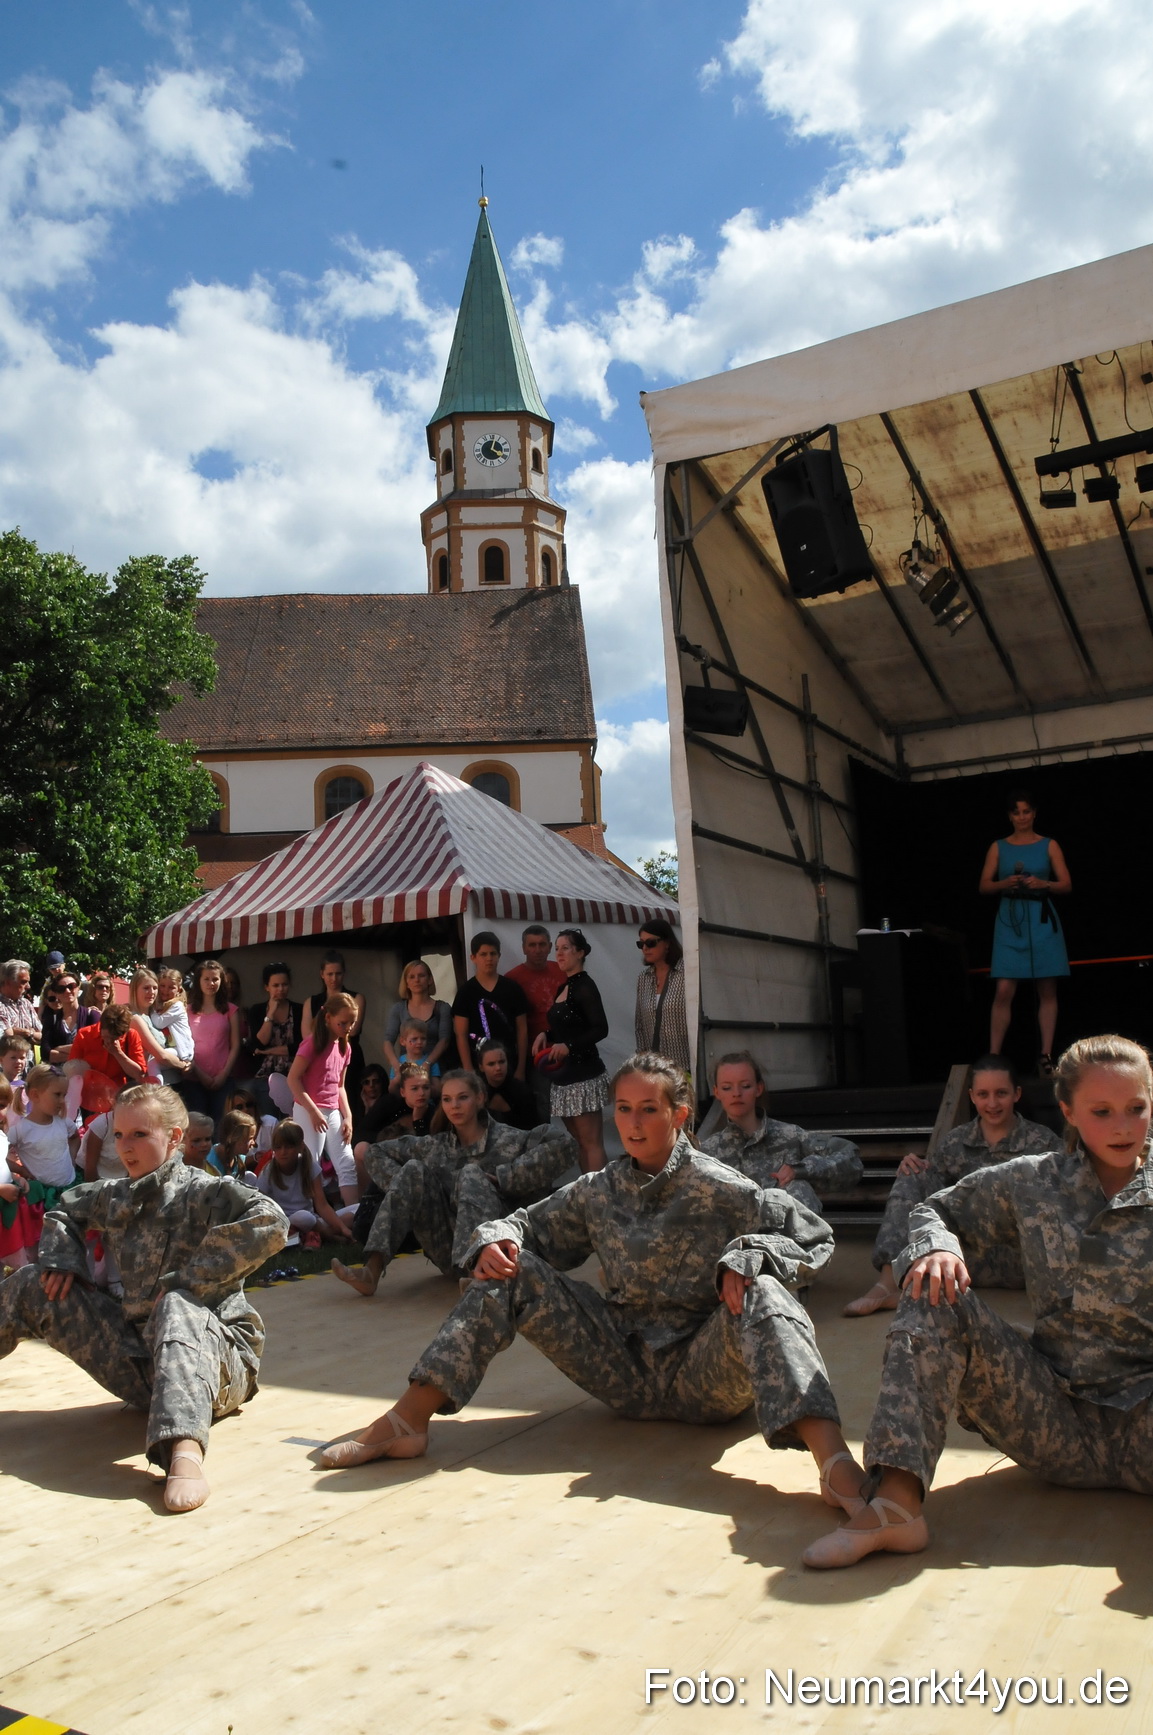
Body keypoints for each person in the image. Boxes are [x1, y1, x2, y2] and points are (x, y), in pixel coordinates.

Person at [319, 1052, 865, 1513]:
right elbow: (525, 1225)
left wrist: (749, 1255)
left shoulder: (720, 1185)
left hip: (706, 1374)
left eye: (648, 1110)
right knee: (509, 1266)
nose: (632, 1123)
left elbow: (813, 1235)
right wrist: (492, 1239)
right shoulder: (598, 1189)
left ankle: (834, 1461)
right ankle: (408, 1421)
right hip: (621, 1366)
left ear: (678, 1115)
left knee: (767, 1290)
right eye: (623, 1110)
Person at [803, 1033, 1153, 1569]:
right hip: (1053, 1417)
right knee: (931, 1291)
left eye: (1137, 1108)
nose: (1123, 1126)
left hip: (1145, 1425)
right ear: (1069, 1112)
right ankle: (897, 1506)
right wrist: (938, 1247)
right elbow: (932, 1208)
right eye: (1102, 1111)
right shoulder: (1033, 1181)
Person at [0, 1082, 288, 1513]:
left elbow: (271, 1220)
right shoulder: (116, 1195)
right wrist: (63, 1259)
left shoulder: (204, 1191)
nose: (125, 1147)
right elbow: (64, 1208)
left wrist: (187, 1280)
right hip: (144, 1360)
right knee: (28, 1283)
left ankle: (184, 1452)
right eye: (118, 1135)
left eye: (139, 1135)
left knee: (175, 1303)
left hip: (219, 1364)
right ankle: (171, 1416)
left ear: (174, 1137)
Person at [843, 1055, 1062, 1317]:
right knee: (912, 1175)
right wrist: (914, 1166)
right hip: (963, 1259)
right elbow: (931, 1192)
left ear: (1016, 1094)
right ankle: (888, 1284)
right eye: (983, 1094)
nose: (992, 1103)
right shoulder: (955, 1141)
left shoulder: (1042, 1142)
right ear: (971, 1096)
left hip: (1023, 1261)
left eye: (1001, 1093)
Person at [331, 1070, 576, 1299]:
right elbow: (375, 1154)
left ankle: (478, 1275)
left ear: (480, 1099)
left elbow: (566, 1144)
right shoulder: (437, 1146)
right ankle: (372, 1270)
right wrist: (407, 1193)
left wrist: (507, 1177)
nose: (454, 1106)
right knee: (413, 1170)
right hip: (448, 1249)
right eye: (447, 1100)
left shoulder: (509, 1139)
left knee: (471, 1174)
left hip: (503, 1248)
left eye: (462, 1098)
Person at [700, 1052, 862, 1218]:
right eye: (727, 1087)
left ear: (758, 1088)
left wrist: (802, 1169)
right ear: (717, 1092)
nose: (736, 1093)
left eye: (745, 1086)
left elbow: (850, 1158)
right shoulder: (708, 1152)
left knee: (798, 1187)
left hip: (789, 1238)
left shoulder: (790, 1136)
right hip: (736, 1238)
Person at [980, 789, 1071, 1074]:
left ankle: (1045, 1054)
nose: (1022, 817)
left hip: (1042, 918)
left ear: (1034, 813)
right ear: (1010, 816)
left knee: (1047, 986)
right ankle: (994, 1055)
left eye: (1026, 811)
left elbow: (1066, 884)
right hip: (1010, 919)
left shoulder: (1049, 844)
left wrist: (1044, 884)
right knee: (1004, 988)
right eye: (1016, 812)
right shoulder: (998, 846)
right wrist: (1005, 882)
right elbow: (984, 886)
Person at [533, 929, 609, 1173]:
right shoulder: (563, 987)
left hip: (584, 1075)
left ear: (580, 952)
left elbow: (600, 1028)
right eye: (557, 948)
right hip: (564, 1078)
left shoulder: (585, 986)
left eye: (565, 948)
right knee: (579, 1143)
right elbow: (564, 1026)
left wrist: (569, 1046)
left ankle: (601, 1196)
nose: (559, 953)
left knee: (591, 1143)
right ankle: (586, 1194)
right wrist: (546, 1034)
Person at [286, 992, 359, 1207]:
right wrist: (312, 1111)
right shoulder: (311, 1045)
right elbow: (293, 1079)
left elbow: (339, 1086)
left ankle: (354, 1213)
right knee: (312, 1164)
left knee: (346, 1161)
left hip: (332, 1110)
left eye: (351, 1023)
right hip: (309, 1110)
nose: (348, 1028)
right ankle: (311, 1212)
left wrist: (348, 1117)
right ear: (328, 1018)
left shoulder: (344, 1047)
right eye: (343, 1023)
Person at [256, 1119, 356, 1243]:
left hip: (312, 1220)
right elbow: (259, 1204)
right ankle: (331, 1237)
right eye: (278, 1147)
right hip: (286, 1223)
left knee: (355, 1210)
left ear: (300, 1147)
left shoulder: (309, 1166)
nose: (283, 1152)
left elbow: (322, 1205)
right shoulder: (269, 1171)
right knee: (302, 1217)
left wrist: (343, 1228)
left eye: (288, 1147)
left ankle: (314, 1234)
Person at [506, 926, 565, 1118]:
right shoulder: (512, 979)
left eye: (542, 945)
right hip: (535, 1054)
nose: (537, 949)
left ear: (549, 947)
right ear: (523, 948)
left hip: (565, 1049)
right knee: (542, 1102)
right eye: (532, 945)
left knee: (570, 1102)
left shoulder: (562, 970)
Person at [8, 1066, 80, 1225]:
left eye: (64, 1095)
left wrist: (72, 1158)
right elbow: (1, 1155)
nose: (62, 1100)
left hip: (69, 1188)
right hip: (44, 1196)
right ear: (35, 1095)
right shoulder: (21, 1129)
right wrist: (20, 1170)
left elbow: (75, 1137)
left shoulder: (63, 1122)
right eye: (57, 1095)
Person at [452, 933, 529, 1079]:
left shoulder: (513, 989)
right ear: (473, 957)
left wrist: (521, 1068)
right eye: (483, 954)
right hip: (478, 1065)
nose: (489, 958)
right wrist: (468, 1070)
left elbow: (522, 1030)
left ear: (499, 955)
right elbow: (461, 1034)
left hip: (508, 1063)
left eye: (493, 953)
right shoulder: (465, 992)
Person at [66, 1004, 149, 1120]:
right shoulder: (84, 1035)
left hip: (118, 1098)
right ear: (100, 1027)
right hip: (89, 1099)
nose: (108, 1042)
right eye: (105, 1037)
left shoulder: (131, 1036)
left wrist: (118, 1053)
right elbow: (72, 1071)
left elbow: (138, 1073)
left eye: (114, 1038)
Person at [301, 951, 366, 1100]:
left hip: (348, 1057)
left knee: (350, 1100)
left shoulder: (356, 998)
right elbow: (306, 1035)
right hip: (318, 1058)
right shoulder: (311, 1002)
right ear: (322, 974)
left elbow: (353, 1030)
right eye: (330, 974)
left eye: (338, 974)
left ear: (344, 974)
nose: (334, 979)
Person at [184, 959, 241, 1128]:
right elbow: (183, 1046)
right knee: (196, 1128)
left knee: (222, 1127)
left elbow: (235, 1045)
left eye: (215, 979)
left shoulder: (231, 1009)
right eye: (206, 979)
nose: (211, 983)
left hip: (223, 1079)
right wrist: (200, 1073)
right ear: (198, 981)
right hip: (194, 1078)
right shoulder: (186, 1010)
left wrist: (223, 1075)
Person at [633, 919, 690, 1073]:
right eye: (641, 944)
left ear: (667, 943)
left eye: (650, 943)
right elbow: (640, 1025)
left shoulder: (687, 973)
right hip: (655, 1071)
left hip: (685, 1066)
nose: (645, 948)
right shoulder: (643, 978)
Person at [382, 961, 452, 1077]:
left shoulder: (442, 1008)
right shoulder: (398, 1009)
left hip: (436, 1071)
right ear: (406, 983)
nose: (417, 980)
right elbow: (388, 1041)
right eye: (412, 977)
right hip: (407, 1071)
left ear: (430, 980)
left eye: (421, 976)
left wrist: (428, 1063)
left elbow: (444, 1040)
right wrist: (396, 1065)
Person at [126, 968, 191, 1085]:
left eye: (155, 988)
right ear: (134, 989)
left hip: (175, 1081)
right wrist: (184, 1065)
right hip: (154, 1086)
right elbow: (161, 1056)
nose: (152, 992)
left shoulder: (157, 1013)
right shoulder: (136, 1018)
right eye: (146, 988)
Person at [0, 1078, 39, 1271]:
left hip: (7, 1205)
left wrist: (18, 1172)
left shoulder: (0, 1134)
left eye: (1, 1106)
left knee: (14, 1254)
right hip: (3, 1195)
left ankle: (17, 1291)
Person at [476, 1039, 538, 1131]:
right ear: (481, 1067)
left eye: (501, 1062)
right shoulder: (476, 1094)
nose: (498, 1068)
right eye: (491, 1064)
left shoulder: (522, 1091)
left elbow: (534, 1129)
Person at [39, 970, 100, 1064]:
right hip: (58, 1075)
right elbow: (45, 1054)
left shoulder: (92, 1015)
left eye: (71, 986)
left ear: (78, 988)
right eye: (61, 988)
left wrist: (59, 1048)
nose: (67, 991)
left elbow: (95, 1048)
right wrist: (79, 1054)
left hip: (87, 1075)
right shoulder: (52, 1020)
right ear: (57, 993)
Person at [151, 968, 196, 1084]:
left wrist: (151, 1009)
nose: (165, 990)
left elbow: (159, 1022)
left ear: (178, 990)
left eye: (171, 987)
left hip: (182, 1050)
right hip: (174, 1048)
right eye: (162, 986)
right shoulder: (165, 1005)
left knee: (153, 1063)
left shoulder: (177, 1005)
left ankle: (156, 1089)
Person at [388, 1017, 441, 1085]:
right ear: (402, 1041)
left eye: (423, 1038)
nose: (419, 1042)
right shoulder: (398, 1063)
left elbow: (437, 1090)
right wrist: (398, 1079)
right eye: (414, 1039)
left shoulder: (431, 1063)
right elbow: (391, 1090)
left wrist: (425, 1083)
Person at [206, 1109, 258, 1180]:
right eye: (250, 1139)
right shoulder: (211, 1163)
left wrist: (256, 1157)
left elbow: (244, 1160)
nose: (253, 1143)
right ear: (233, 1138)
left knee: (250, 1177)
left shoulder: (236, 1155)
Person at [0, 960, 41, 1040]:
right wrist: (31, 1034)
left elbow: (43, 1036)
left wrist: (28, 1033)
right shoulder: (1, 1005)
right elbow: (9, 1039)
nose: (28, 987)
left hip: (29, 1052)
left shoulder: (26, 1004)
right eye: (23, 982)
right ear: (8, 982)